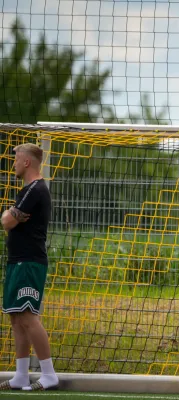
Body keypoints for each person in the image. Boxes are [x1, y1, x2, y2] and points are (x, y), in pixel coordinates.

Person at [0, 143, 58, 391]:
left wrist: (7, 216)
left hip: (30, 262)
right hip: (17, 261)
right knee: (16, 317)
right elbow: (10, 219)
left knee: (27, 316)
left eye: (16, 159)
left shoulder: (35, 190)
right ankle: (21, 375)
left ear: (26, 162)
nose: (13, 164)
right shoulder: (27, 190)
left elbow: (7, 221)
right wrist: (9, 216)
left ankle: (49, 374)